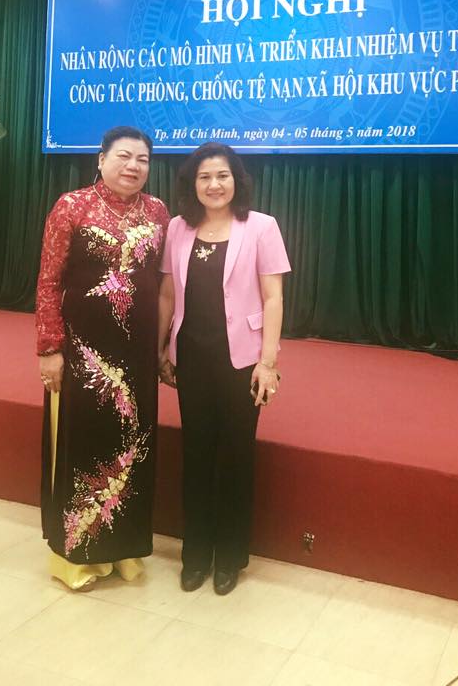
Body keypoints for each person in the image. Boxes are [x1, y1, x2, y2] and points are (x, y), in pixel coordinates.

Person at [36, 126, 169, 591]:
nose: (134, 166)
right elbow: (49, 281)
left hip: (137, 355)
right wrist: (49, 349)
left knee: (132, 447)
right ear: (101, 159)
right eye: (124, 156)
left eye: (143, 159)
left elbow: (162, 284)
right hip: (83, 354)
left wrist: (161, 347)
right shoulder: (71, 206)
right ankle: (75, 557)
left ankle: (123, 549)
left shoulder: (158, 211)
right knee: (84, 444)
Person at [158, 142, 290, 596]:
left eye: (222, 176)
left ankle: (230, 557)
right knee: (195, 455)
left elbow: (273, 297)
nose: (214, 185)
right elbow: (167, 294)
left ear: (237, 180)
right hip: (192, 360)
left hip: (242, 362)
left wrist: (268, 363)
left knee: (235, 456)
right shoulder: (178, 227)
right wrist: (161, 349)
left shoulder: (261, 227)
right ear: (192, 184)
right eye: (205, 177)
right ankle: (195, 554)